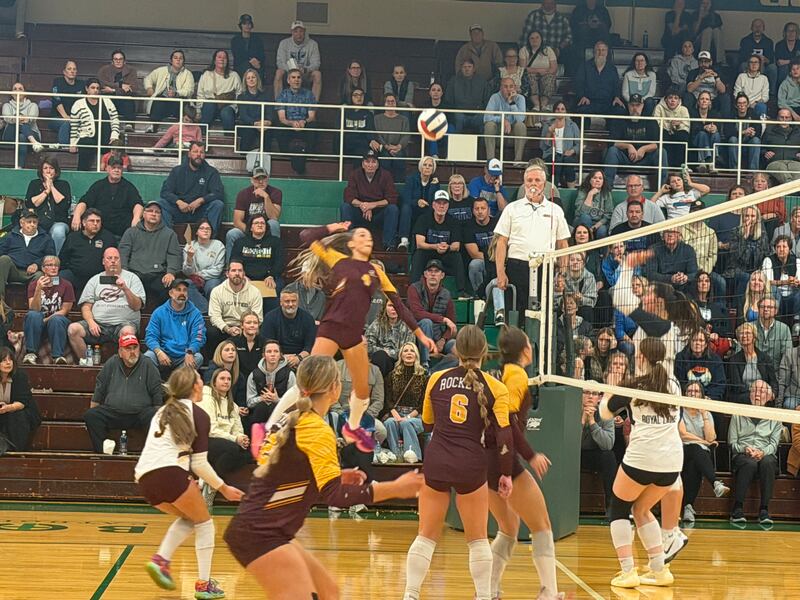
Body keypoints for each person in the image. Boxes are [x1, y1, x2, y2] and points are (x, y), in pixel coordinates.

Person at [225, 355, 422, 598]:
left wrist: (334, 475)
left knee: (328, 592)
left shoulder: (291, 418)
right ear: (334, 388)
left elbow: (282, 476)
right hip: (260, 532)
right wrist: (395, 488)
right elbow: (335, 497)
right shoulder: (316, 429)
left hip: (264, 528)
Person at [274, 223, 434, 453]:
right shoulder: (338, 259)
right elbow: (306, 236)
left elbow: (399, 305)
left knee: (362, 391)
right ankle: (271, 425)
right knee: (306, 383)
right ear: (350, 243)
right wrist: (333, 227)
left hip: (354, 334)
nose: (367, 239)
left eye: (370, 236)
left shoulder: (376, 272)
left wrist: (420, 334)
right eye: (361, 235)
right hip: (332, 327)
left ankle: (352, 427)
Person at [402, 326, 512, 600]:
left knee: (425, 536)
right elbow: (505, 436)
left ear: (456, 350)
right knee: (477, 540)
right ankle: (484, 596)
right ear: (485, 352)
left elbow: (427, 423)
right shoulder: (497, 387)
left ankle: (410, 594)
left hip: (437, 459)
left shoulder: (436, 378)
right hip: (471, 464)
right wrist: (506, 474)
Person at [137, 366, 244, 599]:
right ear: (196, 386)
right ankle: (203, 585)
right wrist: (223, 488)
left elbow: (173, 452)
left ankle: (161, 560)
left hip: (144, 477)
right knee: (205, 523)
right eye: (200, 381)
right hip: (169, 473)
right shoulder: (199, 415)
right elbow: (199, 464)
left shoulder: (162, 411)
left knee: (191, 518)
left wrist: (186, 479)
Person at [488, 325, 565, 600]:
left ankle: (489, 591)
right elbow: (506, 424)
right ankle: (549, 593)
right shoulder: (517, 376)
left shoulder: (497, 373)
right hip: (501, 458)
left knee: (508, 529)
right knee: (542, 525)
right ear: (526, 349)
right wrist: (531, 455)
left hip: (484, 459)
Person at [599, 337, 680, 588]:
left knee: (618, 510)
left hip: (642, 458)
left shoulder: (632, 386)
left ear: (642, 358)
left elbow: (603, 412)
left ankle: (628, 571)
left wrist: (611, 388)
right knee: (641, 510)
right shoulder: (674, 384)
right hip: (671, 463)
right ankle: (660, 570)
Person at [494, 164, 570, 315]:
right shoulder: (512, 208)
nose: (533, 184)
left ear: (545, 184)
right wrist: (500, 273)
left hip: (545, 268)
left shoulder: (555, 210)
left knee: (542, 317)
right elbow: (501, 242)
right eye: (529, 180)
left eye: (537, 180)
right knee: (515, 315)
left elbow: (562, 244)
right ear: (524, 183)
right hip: (517, 267)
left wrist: (562, 274)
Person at [84, 333, 162, 452]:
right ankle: (102, 453)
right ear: (120, 352)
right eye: (128, 348)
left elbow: (157, 392)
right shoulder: (111, 363)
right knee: (91, 415)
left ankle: (151, 453)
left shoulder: (148, 364)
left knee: (153, 415)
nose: (132, 352)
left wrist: (159, 417)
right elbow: (100, 389)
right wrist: (93, 408)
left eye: (135, 348)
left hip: (139, 414)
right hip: (113, 413)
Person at [66, 247, 144, 360]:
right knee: (73, 329)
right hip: (98, 324)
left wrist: (125, 289)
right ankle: (87, 364)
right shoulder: (95, 279)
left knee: (128, 332)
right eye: (109, 258)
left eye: (116, 258)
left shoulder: (132, 278)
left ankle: (123, 368)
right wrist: (91, 322)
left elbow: (137, 306)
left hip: (123, 324)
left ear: (120, 261)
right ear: (103, 261)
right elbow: (86, 307)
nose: (113, 261)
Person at [728, 379, 782, 527]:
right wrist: (744, 449)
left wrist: (763, 452)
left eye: (762, 391)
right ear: (750, 394)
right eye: (754, 390)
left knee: (769, 462)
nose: (758, 394)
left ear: (769, 396)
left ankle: (764, 509)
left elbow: (773, 445)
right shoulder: (738, 414)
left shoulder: (776, 416)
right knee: (749, 463)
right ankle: (737, 508)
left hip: (764, 453)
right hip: (743, 454)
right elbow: (733, 443)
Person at [198, 367, 254, 507]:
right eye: (222, 379)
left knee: (248, 454)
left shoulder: (232, 405)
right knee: (232, 450)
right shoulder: (207, 399)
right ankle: (211, 484)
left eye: (228, 379)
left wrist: (242, 438)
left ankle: (208, 481)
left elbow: (237, 428)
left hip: (226, 442)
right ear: (214, 382)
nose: (226, 381)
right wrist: (235, 439)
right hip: (207, 440)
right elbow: (211, 430)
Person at [678, 381, 729, 524]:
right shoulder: (680, 411)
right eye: (690, 391)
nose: (693, 394)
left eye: (696, 392)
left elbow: (712, 437)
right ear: (685, 394)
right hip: (683, 451)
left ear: (702, 395)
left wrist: (705, 414)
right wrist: (704, 442)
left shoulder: (706, 414)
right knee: (695, 448)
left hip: (699, 456)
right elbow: (683, 434)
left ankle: (688, 507)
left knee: (694, 465)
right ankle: (715, 483)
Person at [119, 200, 181, 306]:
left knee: (171, 287)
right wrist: (124, 272)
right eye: (150, 211)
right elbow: (123, 253)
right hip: (135, 274)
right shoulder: (131, 232)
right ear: (143, 214)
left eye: (157, 212)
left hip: (158, 275)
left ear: (161, 216)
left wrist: (171, 272)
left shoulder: (169, 234)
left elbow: (174, 255)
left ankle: (162, 319)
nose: (153, 214)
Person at [409, 190, 468, 297]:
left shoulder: (453, 221)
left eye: (444, 203)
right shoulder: (424, 219)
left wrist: (447, 247)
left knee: (457, 256)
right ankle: (413, 290)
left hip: (445, 253)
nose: (441, 206)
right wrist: (435, 246)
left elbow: (456, 246)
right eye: (439, 203)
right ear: (433, 205)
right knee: (418, 254)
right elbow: (419, 243)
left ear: (448, 206)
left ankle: (461, 291)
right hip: (428, 252)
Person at [71, 155, 142, 240]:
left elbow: (138, 204)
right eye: (113, 167)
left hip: (122, 231)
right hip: (100, 231)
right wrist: (76, 216)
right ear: (107, 169)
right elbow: (84, 202)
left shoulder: (129, 187)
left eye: (119, 168)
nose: (116, 170)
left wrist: (136, 218)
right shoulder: (98, 186)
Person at [340, 149, 400, 251]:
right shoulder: (355, 174)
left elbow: (392, 198)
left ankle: (389, 245)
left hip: (378, 214)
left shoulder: (386, 175)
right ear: (363, 164)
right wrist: (364, 205)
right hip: (360, 212)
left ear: (377, 164)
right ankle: (348, 242)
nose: (370, 165)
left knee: (392, 209)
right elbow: (349, 197)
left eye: (373, 162)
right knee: (345, 207)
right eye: (367, 162)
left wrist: (373, 205)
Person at [602, 94, 669, 185]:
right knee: (612, 151)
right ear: (628, 106)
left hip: (645, 159)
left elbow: (658, 143)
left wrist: (644, 149)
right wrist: (629, 146)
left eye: (638, 105)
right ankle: (606, 189)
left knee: (661, 152)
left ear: (643, 106)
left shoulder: (650, 120)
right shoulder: (620, 119)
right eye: (632, 105)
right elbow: (612, 142)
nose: (635, 108)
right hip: (625, 158)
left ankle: (662, 189)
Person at [159, 141, 225, 232]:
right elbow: (165, 192)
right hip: (179, 210)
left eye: (201, 152)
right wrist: (178, 202)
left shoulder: (211, 172)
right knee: (162, 203)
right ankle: (167, 238)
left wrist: (201, 200)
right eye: (195, 151)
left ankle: (209, 240)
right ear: (189, 154)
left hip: (200, 212)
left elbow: (218, 193)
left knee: (218, 204)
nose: (198, 155)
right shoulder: (177, 171)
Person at [379, 342, 428, 463]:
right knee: (390, 422)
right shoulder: (392, 375)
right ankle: (396, 457)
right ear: (401, 355)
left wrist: (408, 417)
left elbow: (424, 402)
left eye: (412, 351)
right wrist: (395, 413)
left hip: (416, 415)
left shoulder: (424, 376)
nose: (409, 353)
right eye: (405, 351)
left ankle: (413, 458)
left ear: (416, 355)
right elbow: (388, 398)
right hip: (396, 413)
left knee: (407, 423)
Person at [144, 279, 206, 375]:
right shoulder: (159, 312)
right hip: (164, 353)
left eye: (184, 290)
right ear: (171, 293)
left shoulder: (195, 314)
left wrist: (190, 352)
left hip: (184, 355)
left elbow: (199, 337)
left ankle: (174, 383)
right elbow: (150, 336)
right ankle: (157, 384)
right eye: (178, 289)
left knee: (198, 358)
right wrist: (159, 352)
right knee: (148, 356)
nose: (182, 293)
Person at [22, 255, 73, 365]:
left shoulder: (66, 285)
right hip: (36, 322)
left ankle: (57, 356)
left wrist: (46, 320)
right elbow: (34, 308)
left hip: (57, 323)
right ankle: (30, 354)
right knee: (33, 315)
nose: (54, 268)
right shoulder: (34, 285)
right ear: (43, 268)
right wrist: (38, 289)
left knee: (57, 319)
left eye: (56, 265)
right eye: (50, 265)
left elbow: (65, 310)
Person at [407, 259, 457, 368]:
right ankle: (425, 364)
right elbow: (417, 313)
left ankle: (435, 372)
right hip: (417, 337)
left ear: (442, 275)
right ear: (425, 274)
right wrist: (443, 319)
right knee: (426, 322)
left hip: (439, 338)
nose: (433, 274)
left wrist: (443, 340)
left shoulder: (446, 294)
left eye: (437, 271)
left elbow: (452, 325)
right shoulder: (414, 289)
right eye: (430, 271)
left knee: (456, 348)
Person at [231, 214, 284, 312]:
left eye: (262, 223)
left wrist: (271, 275)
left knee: (277, 288)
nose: (260, 225)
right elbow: (234, 261)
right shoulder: (240, 242)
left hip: (268, 278)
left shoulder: (275, 242)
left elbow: (279, 262)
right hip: (246, 278)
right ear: (251, 227)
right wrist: (242, 276)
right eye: (256, 223)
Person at [59, 208, 117, 297]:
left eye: (98, 221)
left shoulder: (108, 238)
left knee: (116, 279)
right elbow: (62, 259)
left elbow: (115, 261)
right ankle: (60, 306)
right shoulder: (73, 237)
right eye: (92, 221)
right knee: (56, 279)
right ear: (84, 223)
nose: (95, 224)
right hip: (76, 276)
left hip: (100, 277)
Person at [207, 260, 263, 352]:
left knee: (259, 332)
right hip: (225, 327)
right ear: (227, 274)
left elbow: (257, 317)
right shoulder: (217, 291)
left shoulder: (255, 292)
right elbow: (214, 316)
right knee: (211, 332)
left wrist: (244, 328)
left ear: (244, 273)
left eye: (240, 270)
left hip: (245, 327)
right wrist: (227, 329)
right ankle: (214, 363)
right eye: (233, 270)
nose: (237, 273)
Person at [0, 209, 54, 302]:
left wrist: (37, 264)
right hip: (13, 270)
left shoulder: (46, 238)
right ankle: (0, 301)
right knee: (4, 259)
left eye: (35, 222)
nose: (32, 224)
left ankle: (34, 306)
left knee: (40, 276)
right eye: (29, 222)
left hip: (33, 273)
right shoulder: (10, 236)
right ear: (22, 223)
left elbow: (51, 257)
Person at [69, 77, 120, 171]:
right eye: (93, 88)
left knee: (116, 146)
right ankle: (82, 173)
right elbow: (74, 125)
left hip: (106, 138)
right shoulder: (78, 104)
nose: (95, 90)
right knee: (86, 145)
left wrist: (114, 134)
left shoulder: (107, 101)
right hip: (88, 138)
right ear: (87, 89)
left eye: (97, 88)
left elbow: (115, 119)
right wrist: (73, 143)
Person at [245, 339, 297, 428]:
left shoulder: (289, 374)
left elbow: (294, 404)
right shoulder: (254, 375)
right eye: (269, 351)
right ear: (263, 355)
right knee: (261, 407)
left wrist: (277, 400)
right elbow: (249, 402)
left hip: (282, 415)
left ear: (280, 355)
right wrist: (261, 398)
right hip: (259, 414)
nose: (272, 354)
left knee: (274, 406)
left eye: (276, 351)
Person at [580, 389, 617, 514]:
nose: (590, 396)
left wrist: (592, 422)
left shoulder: (605, 413)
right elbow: (568, 441)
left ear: (600, 398)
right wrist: (582, 421)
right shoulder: (570, 409)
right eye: (586, 392)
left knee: (609, 456)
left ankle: (611, 508)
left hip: (595, 454)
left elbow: (608, 445)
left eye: (594, 394)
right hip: (574, 453)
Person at [24, 156, 70, 254]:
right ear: (41, 170)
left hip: (58, 221)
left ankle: (54, 260)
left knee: (58, 232)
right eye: (45, 168)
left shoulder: (64, 184)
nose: (48, 171)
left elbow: (63, 204)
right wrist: (46, 191)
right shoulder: (34, 184)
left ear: (56, 170)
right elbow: (32, 203)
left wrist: (51, 186)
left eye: (51, 168)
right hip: (38, 220)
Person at [275, 68, 317, 175]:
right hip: (289, 126)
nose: (296, 80)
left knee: (313, 125)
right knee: (279, 127)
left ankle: (309, 153)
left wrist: (304, 121)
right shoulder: (282, 95)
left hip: (304, 125)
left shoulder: (309, 94)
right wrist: (292, 123)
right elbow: (282, 118)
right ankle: (286, 153)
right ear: (288, 80)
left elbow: (311, 116)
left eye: (298, 77)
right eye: (293, 77)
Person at [260, 289, 317, 367]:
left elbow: (309, 346)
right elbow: (268, 344)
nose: (290, 304)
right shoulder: (270, 318)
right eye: (287, 301)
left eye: (293, 301)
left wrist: (298, 358)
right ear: (281, 303)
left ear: (298, 302)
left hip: (301, 359)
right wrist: (282, 358)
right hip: (277, 358)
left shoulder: (308, 319)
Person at [143, 49, 196, 130]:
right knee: (158, 100)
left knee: (183, 102)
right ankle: (153, 126)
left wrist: (176, 93)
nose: (178, 60)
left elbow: (189, 91)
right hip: (163, 102)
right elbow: (148, 78)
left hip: (177, 102)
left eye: (180, 58)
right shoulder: (161, 70)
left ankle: (184, 130)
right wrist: (149, 88)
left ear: (183, 61)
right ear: (171, 60)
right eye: (175, 58)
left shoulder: (188, 74)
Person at [573, 40, 625, 121]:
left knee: (619, 111)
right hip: (589, 102)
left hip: (608, 103)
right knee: (581, 111)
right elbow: (579, 83)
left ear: (607, 53)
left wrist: (617, 97)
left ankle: (614, 134)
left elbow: (616, 85)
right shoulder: (585, 66)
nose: (601, 53)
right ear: (594, 52)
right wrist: (582, 96)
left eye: (603, 50)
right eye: (598, 50)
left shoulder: (612, 68)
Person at [0, 347, 40, 451]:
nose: (8, 363)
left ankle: (17, 450)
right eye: (4, 360)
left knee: (17, 415)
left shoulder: (20, 376)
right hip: (3, 412)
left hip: (22, 411)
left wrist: (8, 408)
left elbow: (22, 402)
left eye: (10, 360)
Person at [727, 322, 778, 403]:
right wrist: (755, 394)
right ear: (739, 339)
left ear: (754, 337)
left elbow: (773, 382)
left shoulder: (765, 358)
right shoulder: (734, 360)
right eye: (741, 333)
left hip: (764, 397)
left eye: (747, 333)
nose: (744, 336)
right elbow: (737, 387)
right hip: (743, 398)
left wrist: (772, 394)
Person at [182, 218, 225, 315]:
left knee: (213, 286)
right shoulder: (190, 246)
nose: (205, 230)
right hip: (193, 279)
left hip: (212, 278)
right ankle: (206, 311)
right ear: (196, 232)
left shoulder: (218, 245)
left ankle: (215, 312)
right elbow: (187, 272)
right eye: (202, 228)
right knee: (186, 284)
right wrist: (189, 258)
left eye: (208, 229)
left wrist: (199, 274)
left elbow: (218, 270)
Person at [399, 156, 440, 252]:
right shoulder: (411, 179)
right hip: (412, 209)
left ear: (433, 169)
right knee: (406, 208)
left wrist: (434, 186)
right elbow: (406, 198)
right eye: (425, 165)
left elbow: (434, 201)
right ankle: (404, 240)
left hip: (427, 210)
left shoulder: (435, 182)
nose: (427, 167)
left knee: (433, 210)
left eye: (430, 165)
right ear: (420, 167)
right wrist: (417, 202)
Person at [196, 49, 242, 132]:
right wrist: (198, 111)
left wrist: (236, 108)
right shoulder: (206, 74)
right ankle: (201, 138)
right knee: (209, 104)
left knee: (226, 113)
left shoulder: (234, 75)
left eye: (224, 57)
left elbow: (240, 94)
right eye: (219, 57)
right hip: (209, 107)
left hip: (227, 106)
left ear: (227, 61)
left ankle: (229, 140)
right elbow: (200, 94)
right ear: (214, 60)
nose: (222, 59)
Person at [274, 20, 322, 101]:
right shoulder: (284, 43)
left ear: (305, 32)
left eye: (301, 31)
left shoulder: (313, 44)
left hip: (305, 73)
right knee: (278, 72)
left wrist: (306, 69)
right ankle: (278, 104)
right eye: (296, 31)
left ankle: (313, 106)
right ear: (292, 32)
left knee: (317, 74)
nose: (298, 34)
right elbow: (280, 62)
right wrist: (292, 70)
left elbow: (316, 63)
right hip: (288, 73)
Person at [482, 77, 527, 164]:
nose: (508, 89)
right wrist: (502, 119)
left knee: (521, 126)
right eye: (505, 87)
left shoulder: (520, 98)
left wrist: (512, 103)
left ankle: (517, 161)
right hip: (498, 130)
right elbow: (486, 117)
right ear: (501, 88)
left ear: (515, 88)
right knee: (489, 125)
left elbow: (520, 119)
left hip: (513, 131)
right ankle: (491, 161)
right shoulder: (495, 97)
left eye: (511, 86)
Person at [674, 329, 727, 400]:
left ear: (706, 344)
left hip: (708, 399)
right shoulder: (681, 358)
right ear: (690, 343)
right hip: (687, 398)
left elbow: (720, 384)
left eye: (701, 340)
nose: (697, 343)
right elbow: (679, 381)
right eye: (694, 340)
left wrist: (708, 397)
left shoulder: (715, 360)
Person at [366, 300, 415, 377]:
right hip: (379, 360)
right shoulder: (377, 324)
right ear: (385, 308)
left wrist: (389, 352)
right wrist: (383, 352)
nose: (394, 309)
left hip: (398, 362)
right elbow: (367, 346)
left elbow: (409, 348)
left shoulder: (407, 327)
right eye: (390, 305)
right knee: (381, 356)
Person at [444, 58, 492, 134]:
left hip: (477, 114)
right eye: (464, 67)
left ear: (474, 68)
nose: (467, 69)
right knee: (457, 118)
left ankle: (481, 146)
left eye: (469, 67)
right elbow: (449, 100)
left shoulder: (482, 81)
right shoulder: (453, 81)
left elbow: (487, 99)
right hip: (459, 114)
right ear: (461, 68)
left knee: (483, 118)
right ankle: (456, 145)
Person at [371, 93, 411, 182]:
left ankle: (399, 185)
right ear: (384, 103)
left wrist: (398, 147)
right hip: (384, 148)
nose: (390, 103)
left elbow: (406, 135)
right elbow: (378, 134)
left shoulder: (404, 119)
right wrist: (387, 147)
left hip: (399, 148)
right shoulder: (377, 118)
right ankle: (384, 185)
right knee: (385, 160)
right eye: (388, 101)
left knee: (399, 159)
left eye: (392, 101)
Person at [540, 101, 580, 188]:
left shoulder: (572, 125)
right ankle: (553, 191)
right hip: (551, 154)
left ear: (566, 112)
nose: (560, 111)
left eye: (562, 109)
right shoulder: (547, 125)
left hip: (567, 154)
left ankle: (571, 190)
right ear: (554, 111)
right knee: (556, 162)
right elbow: (543, 146)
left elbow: (578, 144)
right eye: (557, 109)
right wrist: (549, 133)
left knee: (568, 162)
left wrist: (572, 151)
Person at [2, 82, 42, 168]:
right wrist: (20, 119)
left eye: (20, 89)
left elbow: (31, 119)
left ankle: (19, 167)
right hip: (10, 135)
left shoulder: (33, 105)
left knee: (22, 137)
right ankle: (34, 142)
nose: (17, 91)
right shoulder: (7, 105)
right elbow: (7, 118)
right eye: (15, 89)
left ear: (25, 93)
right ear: (11, 93)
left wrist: (16, 118)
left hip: (32, 133)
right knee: (16, 125)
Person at [464, 197, 498, 298]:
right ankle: (480, 295)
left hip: (499, 260)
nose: (480, 211)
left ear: (489, 210)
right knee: (474, 264)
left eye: (483, 208)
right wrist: (491, 259)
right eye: (477, 209)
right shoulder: (468, 227)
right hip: (484, 260)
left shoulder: (497, 224)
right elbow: (474, 254)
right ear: (473, 211)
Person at [520, 0, 573, 65]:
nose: (549, 6)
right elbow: (525, 37)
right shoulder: (533, 16)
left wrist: (559, 49)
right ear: (542, 4)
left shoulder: (562, 19)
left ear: (555, 4)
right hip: (535, 55)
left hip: (555, 55)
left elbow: (569, 37)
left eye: (551, 3)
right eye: (546, 3)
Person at [518, 30, 558, 113]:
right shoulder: (524, 50)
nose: (534, 40)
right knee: (530, 77)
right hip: (530, 75)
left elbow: (554, 68)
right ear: (528, 40)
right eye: (532, 38)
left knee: (550, 78)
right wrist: (539, 71)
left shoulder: (548, 50)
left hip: (546, 74)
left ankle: (544, 104)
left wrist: (545, 72)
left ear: (541, 39)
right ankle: (536, 104)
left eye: (537, 37)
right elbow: (523, 68)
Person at [98, 49, 138, 129]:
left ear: (124, 61)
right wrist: (120, 85)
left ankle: (129, 125)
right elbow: (102, 84)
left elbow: (131, 88)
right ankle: (105, 125)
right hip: (109, 99)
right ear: (112, 61)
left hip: (124, 101)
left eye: (120, 59)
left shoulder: (131, 70)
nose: (118, 61)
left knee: (128, 99)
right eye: (115, 59)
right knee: (104, 100)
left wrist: (113, 90)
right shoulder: (104, 70)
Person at [236, 68, 274, 153]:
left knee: (267, 134)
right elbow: (243, 115)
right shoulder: (241, 97)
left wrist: (267, 122)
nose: (251, 80)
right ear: (245, 81)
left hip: (264, 124)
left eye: (253, 77)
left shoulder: (266, 94)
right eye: (248, 78)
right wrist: (255, 123)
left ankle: (266, 161)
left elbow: (270, 112)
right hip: (248, 124)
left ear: (257, 79)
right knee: (247, 135)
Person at [737, 18, 777, 95]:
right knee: (743, 65)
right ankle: (743, 92)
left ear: (763, 28)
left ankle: (771, 93)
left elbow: (771, 60)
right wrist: (753, 60)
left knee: (773, 68)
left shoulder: (769, 42)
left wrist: (764, 59)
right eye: (755, 26)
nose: (757, 29)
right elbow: (741, 58)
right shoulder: (745, 41)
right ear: (751, 28)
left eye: (760, 26)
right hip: (749, 66)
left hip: (764, 67)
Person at [652, 88, 691, 168]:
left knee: (682, 135)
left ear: (679, 100)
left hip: (678, 133)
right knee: (663, 134)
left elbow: (687, 127)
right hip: (664, 132)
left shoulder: (684, 109)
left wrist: (678, 126)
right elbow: (655, 124)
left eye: (675, 98)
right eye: (670, 98)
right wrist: (670, 125)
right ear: (665, 99)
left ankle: (681, 165)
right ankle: (665, 164)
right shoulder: (659, 107)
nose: (672, 100)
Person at [49, 59, 84, 145]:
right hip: (57, 117)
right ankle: (64, 147)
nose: (72, 71)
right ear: (64, 72)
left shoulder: (81, 84)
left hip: (76, 118)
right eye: (69, 69)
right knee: (67, 123)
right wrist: (65, 116)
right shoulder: (57, 81)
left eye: (74, 69)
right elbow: (56, 99)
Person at [761, 108, 800, 184]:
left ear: (791, 119)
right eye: (782, 117)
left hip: (794, 162)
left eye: (787, 117)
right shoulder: (769, 130)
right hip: (775, 162)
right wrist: (765, 152)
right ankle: (791, 190)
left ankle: (790, 191)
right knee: (782, 170)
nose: (784, 119)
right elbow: (761, 148)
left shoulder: (798, 131)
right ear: (777, 118)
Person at [685, 50, 730, 115]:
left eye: (706, 62)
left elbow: (723, 90)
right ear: (698, 63)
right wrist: (701, 77)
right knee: (687, 96)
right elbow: (689, 89)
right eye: (701, 62)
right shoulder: (693, 73)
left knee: (725, 97)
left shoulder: (717, 72)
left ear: (710, 62)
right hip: (697, 99)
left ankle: (725, 123)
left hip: (713, 99)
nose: (703, 64)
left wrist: (717, 78)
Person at [573, 170, 613, 239]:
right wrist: (590, 194)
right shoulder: (582, 191)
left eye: (600, 178)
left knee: (602, 231)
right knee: (585, 217)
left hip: (599, 223)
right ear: (590, 180)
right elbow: (581, 213)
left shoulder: (606, 194)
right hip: (582, 221)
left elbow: (608, 215)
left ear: (603, 181)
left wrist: (595, 227)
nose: (597, 180)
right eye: (595, 178)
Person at [689, 90, 722, 172]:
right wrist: (704, 127)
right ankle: (703, 162)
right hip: (696, 140)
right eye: (702, 99)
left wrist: (715, 128)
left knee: (716, 135)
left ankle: (711, 163)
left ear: (710, 102)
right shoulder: (692, 113)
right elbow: (693, 128)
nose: (704, 101)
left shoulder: (715, 114)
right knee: (702, 134)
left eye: (707, 99)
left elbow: (719, 126)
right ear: (698, 102)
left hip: (711, 140)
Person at [342, 87, 376, 160]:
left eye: (361, 95)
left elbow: (370, 131)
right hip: (346, 144)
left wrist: (372, 140)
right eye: (356, 95)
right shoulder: (344, 112)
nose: (359, 97)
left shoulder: (368, 114)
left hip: (361, 146)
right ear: (351, 97)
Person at [734, 54, 770, 119]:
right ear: (748, 64)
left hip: (757, 105)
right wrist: (746, 104)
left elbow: (765, 97)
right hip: (743, 104)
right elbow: (736, 94)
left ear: (759, 65)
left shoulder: (764, 78)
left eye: (756, 62)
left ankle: (762, 127)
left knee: (762, 106)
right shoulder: (741, 76)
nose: (754, 64)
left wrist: (755, 103)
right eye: (751, 62)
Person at [230, 13, 265, 78]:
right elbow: (238, 56)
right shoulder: (235, 40)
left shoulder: (257, 40)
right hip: (240, 67)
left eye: (249, 24)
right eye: (244, 24)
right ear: (241, 26)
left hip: (255, 66)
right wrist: (250, 61)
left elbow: (261, 55)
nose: (247, 26)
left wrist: (257, 62)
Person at [691, 0, 723, 64]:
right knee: (707, 30)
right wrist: (700, 17)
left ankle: (721, 60)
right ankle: (704, 59)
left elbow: (719, 34)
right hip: (698, 41)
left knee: (716, 31)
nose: (705, 5)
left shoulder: (716, 16)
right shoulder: (695, 14)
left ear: (711, 5)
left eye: (707, 3)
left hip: (713, 42)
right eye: (703, 3)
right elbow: (694, 32)